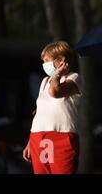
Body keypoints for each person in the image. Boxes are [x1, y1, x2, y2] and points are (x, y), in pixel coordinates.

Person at [22, 41, 81, 174]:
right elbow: (40, 112)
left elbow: (55, 92)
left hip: (62, 137)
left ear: (61, 60)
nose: (44, 65)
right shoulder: (44, 82)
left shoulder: (74, 78)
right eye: (43, 61)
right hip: (39, 138)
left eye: (47, 61)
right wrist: (30, 142)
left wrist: (57, 74)